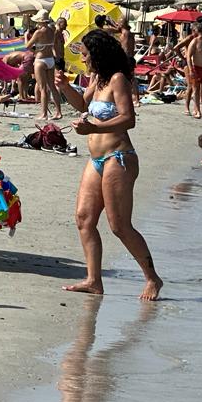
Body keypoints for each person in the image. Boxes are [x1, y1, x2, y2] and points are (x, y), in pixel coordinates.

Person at [54, 29, 162, 301]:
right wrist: (65, 87)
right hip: (97, 159)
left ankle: (152, 278)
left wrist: (94, 126)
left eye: (87, 55)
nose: (84, 61)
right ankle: (94, 280)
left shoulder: (117, 80)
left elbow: (128, 119)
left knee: (119, 226)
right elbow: (82, 104)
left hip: (119, 158)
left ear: (98, 55)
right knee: (84, 219)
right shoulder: (98, 79)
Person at [27, 11, 62, 120]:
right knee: (52, 87)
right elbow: (54, 44)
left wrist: (25, 37)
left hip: (40, 59)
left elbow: (28, 46)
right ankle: (58, 112)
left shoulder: (38, 32)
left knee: (42, 88)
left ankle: (44, 114)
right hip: (50, 59)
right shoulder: (53, 30)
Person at [185, 20, 202, 119]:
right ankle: (197, 111)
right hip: (196, 68)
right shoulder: (194, 41)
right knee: (196, 90)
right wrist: (191, 70)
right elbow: (188, 57)